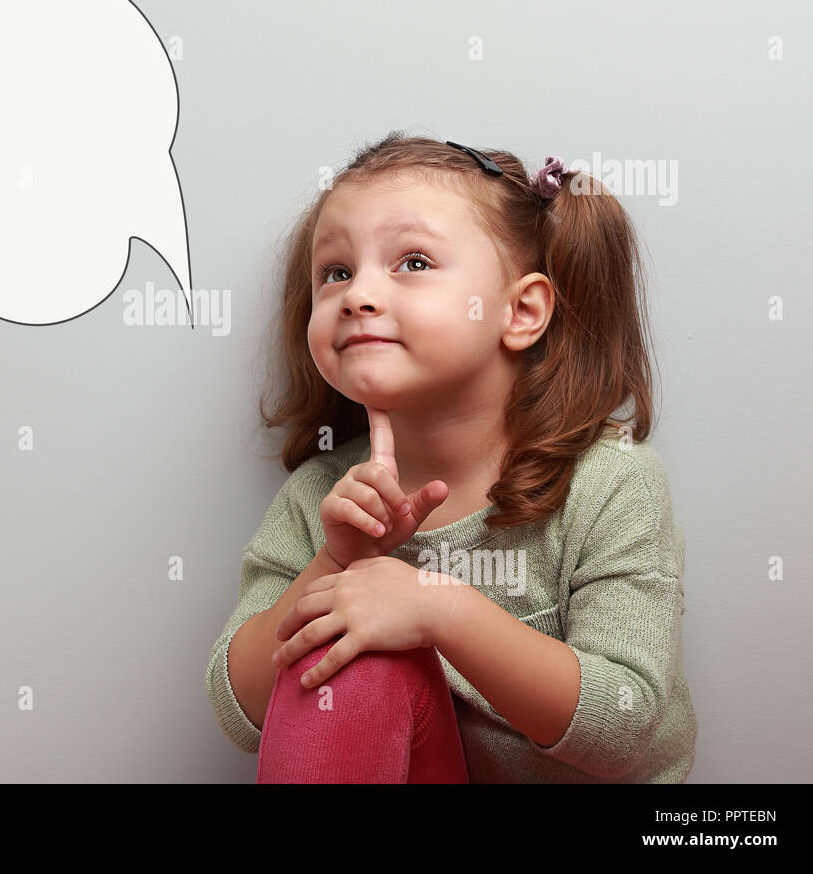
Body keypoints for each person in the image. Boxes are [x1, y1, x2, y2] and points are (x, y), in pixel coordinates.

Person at [206, 132, 698, 783]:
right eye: (336, 272)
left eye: (412, 262)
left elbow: (623, 728)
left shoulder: (609, 482)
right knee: (349, 648)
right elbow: (238, 710)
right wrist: (336, 563)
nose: (357, 295)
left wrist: (437, 606)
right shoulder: (321, 494)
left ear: (521, 311)